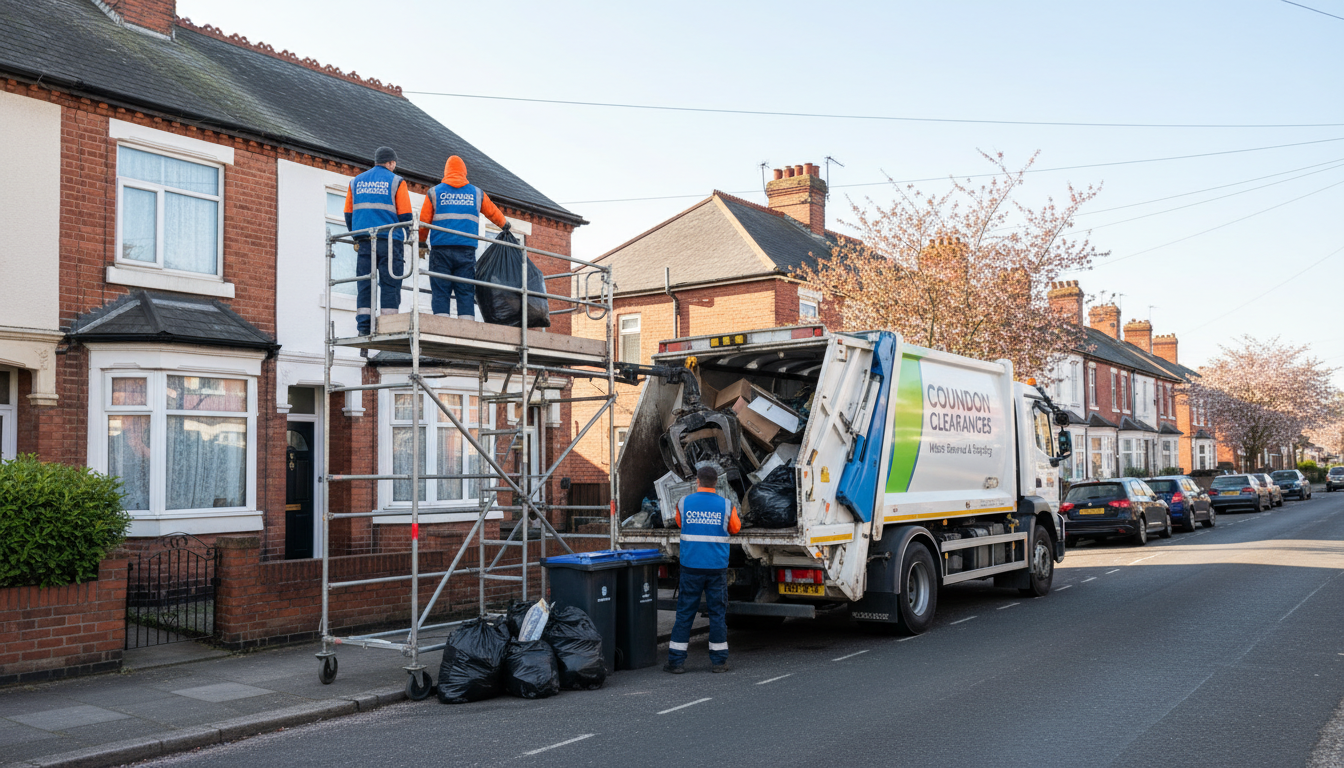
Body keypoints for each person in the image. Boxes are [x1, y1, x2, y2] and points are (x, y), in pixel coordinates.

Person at [666, 463, 740, 674]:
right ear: (716, 483)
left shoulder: (684, 502)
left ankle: (676, 662)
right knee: (717, 614)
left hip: (691, 567)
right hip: (716, 568)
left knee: (685, 614)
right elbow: (735, 528)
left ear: (697, 481)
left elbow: (680, 523)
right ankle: (719, 662)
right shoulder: (726, 505)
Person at [418, 155, 510, 319]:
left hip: (441, 251)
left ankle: (441, 326)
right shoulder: (476, 193)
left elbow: (424, 222)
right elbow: (492, 211)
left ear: (446, 171)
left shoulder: (434, 193)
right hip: (466, 251)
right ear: (464, 172)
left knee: (441, 290)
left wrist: (421, 243)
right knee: (465, 291)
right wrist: (504, 224)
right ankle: (466, 326)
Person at [344, 146, 413, 335]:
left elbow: (348, 213)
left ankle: (364, 327)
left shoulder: (355, 182)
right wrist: (406, 235)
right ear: (391, 163)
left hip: (365, 241)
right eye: (394, 164)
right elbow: (406, 214)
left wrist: (356, 235)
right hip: (390, 241)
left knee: (365, 283)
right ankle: (388, 327)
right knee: (390, 283)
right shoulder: (397, 181)